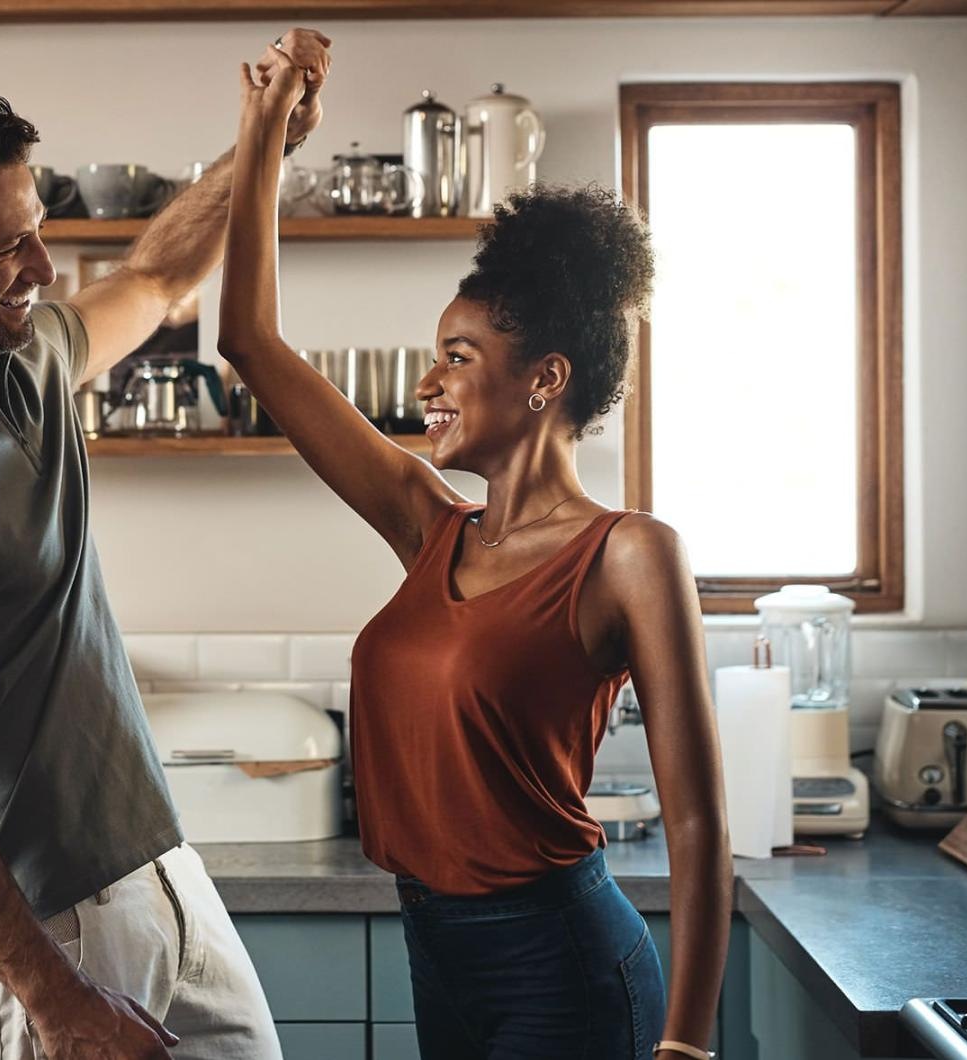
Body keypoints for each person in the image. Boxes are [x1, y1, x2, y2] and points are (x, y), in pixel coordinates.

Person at [0, 30, 332, 1060]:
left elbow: (158, 272)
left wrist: (261, 142)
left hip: (157, 866)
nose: (44, 266)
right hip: (47, 926)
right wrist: (57, 998)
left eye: (37, 232)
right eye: (10, 248)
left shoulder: (26, 350)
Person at [219, 52, 732, 1060]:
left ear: (545, 378)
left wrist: (688, 1044)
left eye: (457, 356)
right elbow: (248, 340)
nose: (427, 381)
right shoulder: (429, 521)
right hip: (436, 947)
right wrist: (264, 135)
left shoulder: (629, 554)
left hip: (564, 964)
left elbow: (700, 823)